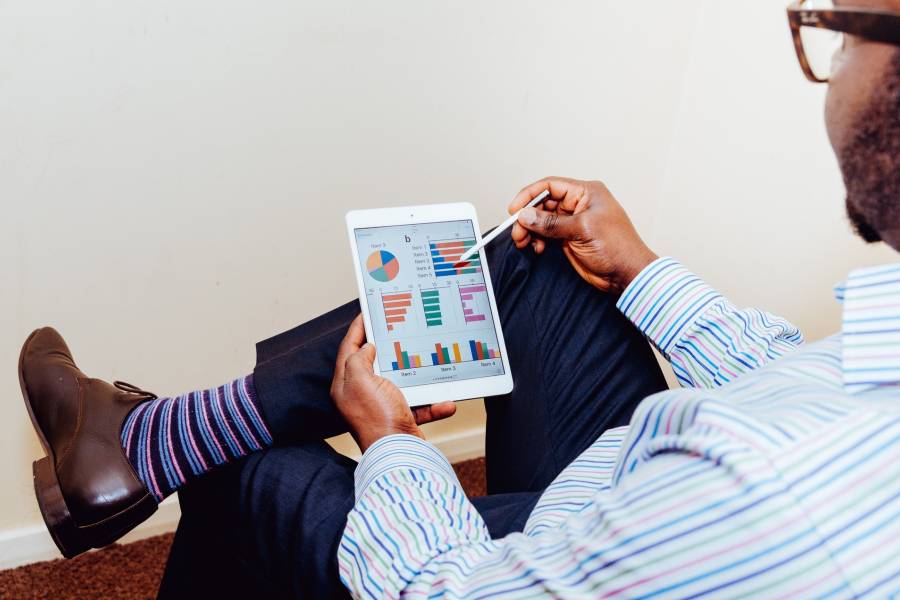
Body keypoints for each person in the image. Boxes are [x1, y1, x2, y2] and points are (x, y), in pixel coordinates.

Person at [16, 0, 900, 596]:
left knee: (256, 469)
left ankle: (155, 444)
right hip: (629, 495)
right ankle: (134, 446)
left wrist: (395, 444)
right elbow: (803, 379)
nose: (833, 64)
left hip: (543, 555)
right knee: (539, 258)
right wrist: (640, 268)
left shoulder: (780, 491)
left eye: (844, 31)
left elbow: (448, 589)